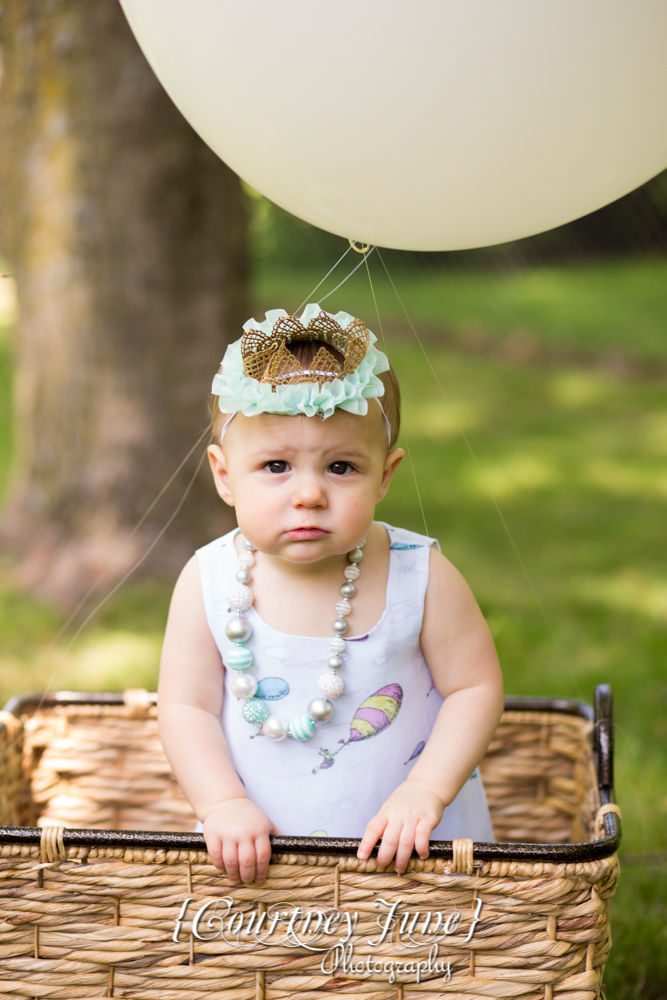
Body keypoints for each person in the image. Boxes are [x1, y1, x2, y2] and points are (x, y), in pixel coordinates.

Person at [159, 303, 503, 885]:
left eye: (341, 466)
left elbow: (474, 686)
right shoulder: (209, 582)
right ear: (224, 475)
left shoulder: (419, 575)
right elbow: (185, 706)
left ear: (386, 475)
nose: (309, 494)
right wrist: (220, 804)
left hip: (413, 845)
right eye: (275, 466)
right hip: (260, 849)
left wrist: (426, 791)